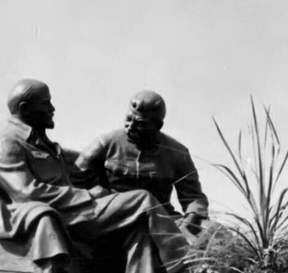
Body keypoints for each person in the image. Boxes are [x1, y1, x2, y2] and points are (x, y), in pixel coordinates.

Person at [0, 78, 190, 273]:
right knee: (142, 200)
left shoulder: (39, 141)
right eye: (46, 104)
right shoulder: (8, 144)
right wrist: (89, 195)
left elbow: (76, 165)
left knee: (138, 227)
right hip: (64, 217)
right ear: (25, 109)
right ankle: (186, 267)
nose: (52, 109)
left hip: (73, 212)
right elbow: (27, 192)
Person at [76, 90, 209, 238]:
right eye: (128, 118)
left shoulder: (178, 153)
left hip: (162, 217)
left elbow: (194, 197)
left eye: (140, 124)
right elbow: (76, 178)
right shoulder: (105, 143)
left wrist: (192, 216)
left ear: (158, 125)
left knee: (213, 233)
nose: (130, 126)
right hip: (115, 215)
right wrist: (98, 193)